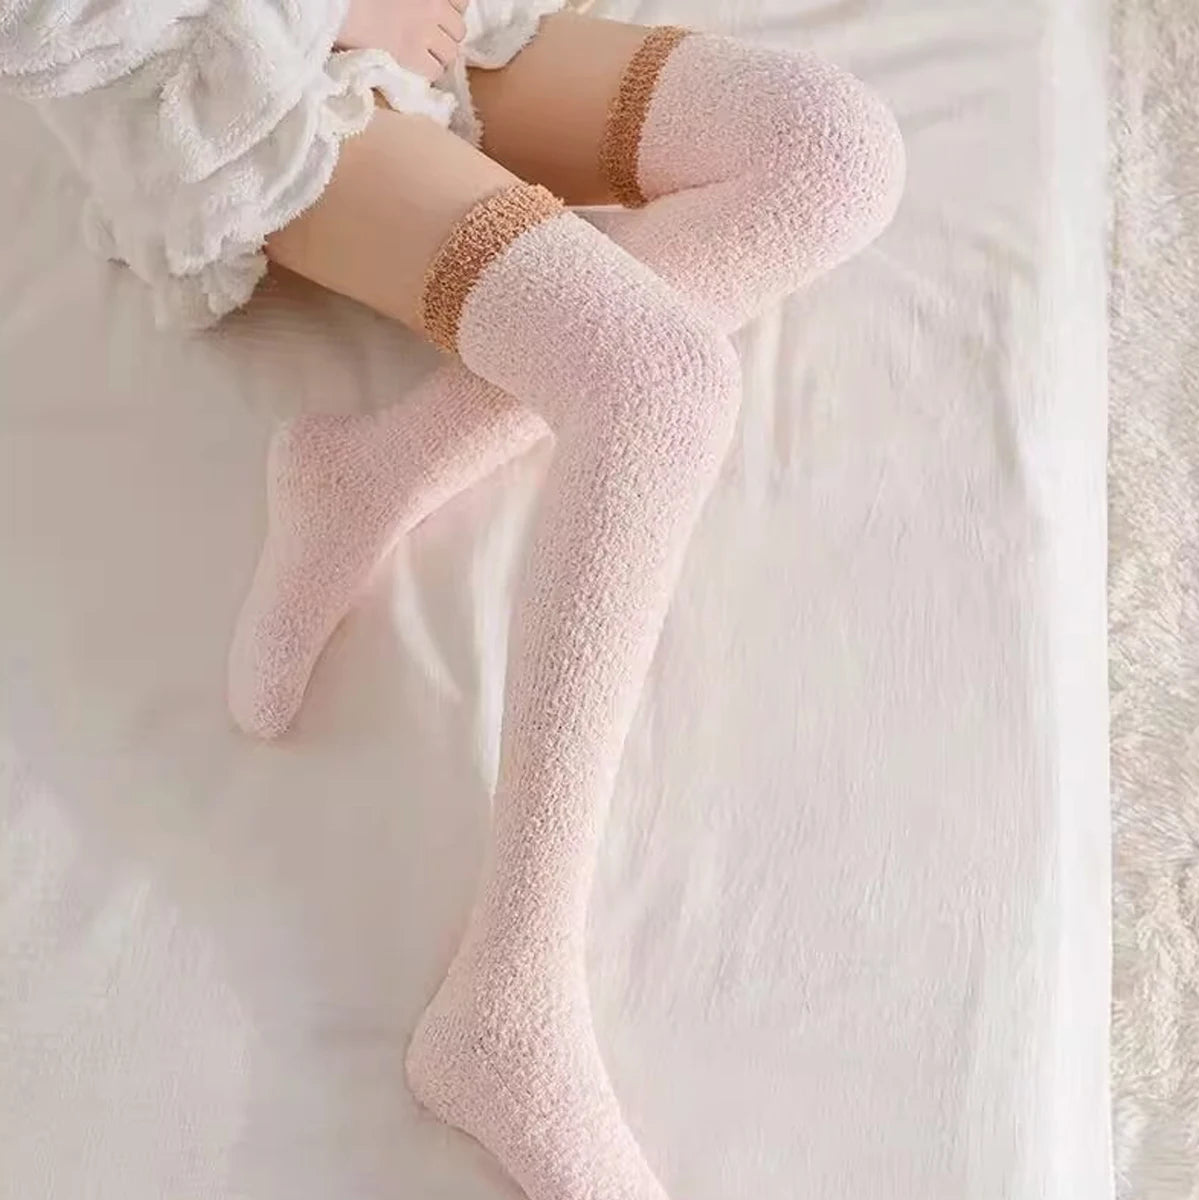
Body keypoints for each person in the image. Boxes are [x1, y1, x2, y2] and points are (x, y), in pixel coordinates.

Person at [2, 2, 905, 1196]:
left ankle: (381, 469)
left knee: (833, 152)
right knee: (659, 385)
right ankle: (509, 996)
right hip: (235, 75)